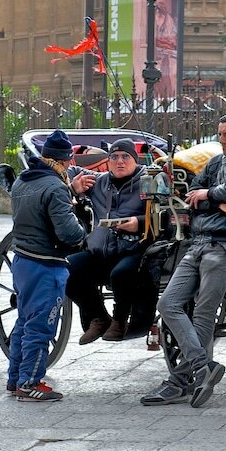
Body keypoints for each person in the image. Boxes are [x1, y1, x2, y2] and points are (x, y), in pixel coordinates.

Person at [140, 112, 226, 408]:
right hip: (197, 243)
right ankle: (203, 367)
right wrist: (218, 202)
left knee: (203, 314)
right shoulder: (214, 162)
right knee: (167, 304)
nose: (221, 139)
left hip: (225, 245)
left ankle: (178, 382)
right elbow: (190, 197)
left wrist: (208, 196)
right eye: (220, 134)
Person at [7, 129, 87, 402]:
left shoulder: (21, 182)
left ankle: (15, 377)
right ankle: (30, 383)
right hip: (46, 264)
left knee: (24, 321)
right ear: (65, 161)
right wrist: (83, 228)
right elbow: (69, 234)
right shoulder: (55, 188)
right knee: (42, 325)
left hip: (23, 260)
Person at [67, 138, 157, 344]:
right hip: (101, 251)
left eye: (126, 156)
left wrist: (140, 222)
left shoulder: (148, 180)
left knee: (121, 274)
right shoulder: (99, 181)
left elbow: (168, 218)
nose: (120, 161)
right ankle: (99, 317)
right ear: (108, 162)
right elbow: (68, 170)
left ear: (135, 160)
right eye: (114, 157)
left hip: (134, 249)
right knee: (66, 268)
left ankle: (120, 321)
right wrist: (74, 187)